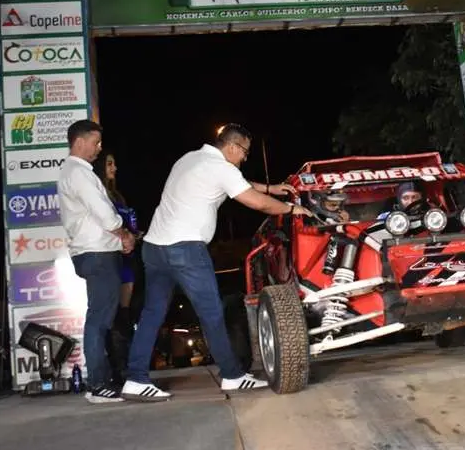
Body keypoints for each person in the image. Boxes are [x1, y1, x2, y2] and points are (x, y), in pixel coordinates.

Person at [121, 123, 312, 402]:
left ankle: (135, 380)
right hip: (185, 250)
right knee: (211, 314)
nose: (245, 158)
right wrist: (292, 207)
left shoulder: (190, 159)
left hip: (154, 248)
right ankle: (232, 375)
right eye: (245, 152)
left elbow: (237, 184)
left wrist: (271, 187)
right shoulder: (221, 169)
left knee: (152, 314)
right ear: (233, 147)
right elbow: (256, 202)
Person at [57, 120, 136, 403]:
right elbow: (103, 212)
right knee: (99, 320)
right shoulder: (78, 173)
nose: (98, 148)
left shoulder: (74, 172)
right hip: (97, 254)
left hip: (94, 252)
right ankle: (98, 384)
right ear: (79, 142)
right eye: (96, 142)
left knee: (101, 318)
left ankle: (103, 381)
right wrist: (124, 233)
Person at [92, 150, 140, 386]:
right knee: (112, 316)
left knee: (124, 314)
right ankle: (118, 373)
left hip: (128, 259)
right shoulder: (99, 194)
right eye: (110, 164)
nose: (114, 168)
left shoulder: (117, 195)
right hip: (111, 257)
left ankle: (128, 369)